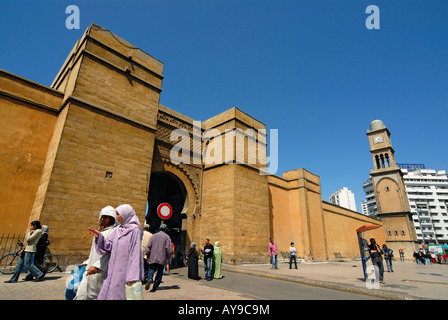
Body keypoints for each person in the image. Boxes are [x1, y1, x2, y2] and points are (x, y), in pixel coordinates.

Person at [89, 204, 144, 300]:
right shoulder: (118, 229)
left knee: (118, 295)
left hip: (124, 273)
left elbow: (135, 254)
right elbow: (109, 246)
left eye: (118, 214)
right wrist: (100, 236)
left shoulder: (135, 230)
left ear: (126, 214)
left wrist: (132, 276)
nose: (117, 216)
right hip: (111, 272)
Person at [75, 206, 117, 300]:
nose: (102, 219)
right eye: (102, 217)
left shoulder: (113, 232)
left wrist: (97, 266)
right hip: (89, 269)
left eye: (106, 217)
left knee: (95, 296)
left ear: (111, 218)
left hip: (101, 271)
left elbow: (111, 252)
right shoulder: (99, 231)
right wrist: (87, 262)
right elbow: (93, 252)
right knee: (81, 295)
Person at [144, 223, 173, 292]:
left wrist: (147, 253)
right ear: (165, 229)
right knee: (159, 273)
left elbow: (149, 245)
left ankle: (150, 278)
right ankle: (155, 286)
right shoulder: (167, 237)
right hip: (162, 258)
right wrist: (168, 256)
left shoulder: (154, 236)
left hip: (153, 257)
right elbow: (168, 248)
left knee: (151, 269)